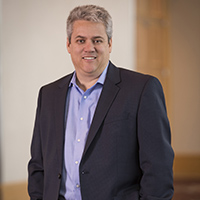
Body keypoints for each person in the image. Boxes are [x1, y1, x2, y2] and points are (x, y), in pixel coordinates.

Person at [28, 5, 174, 200]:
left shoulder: (141, 89)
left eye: (97, 40)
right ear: (68, 45)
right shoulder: (48, 95)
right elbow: (38, 165)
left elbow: (158, 166)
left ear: (110, 44)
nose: (89, 48)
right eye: (81, 40)